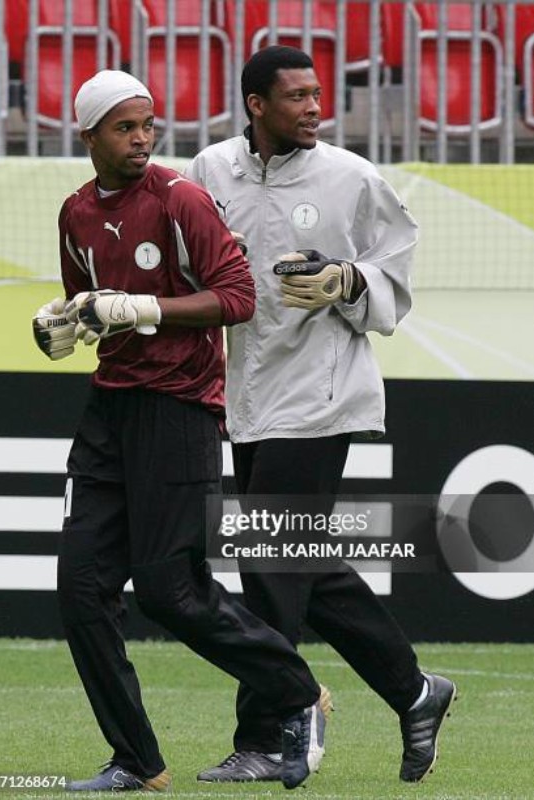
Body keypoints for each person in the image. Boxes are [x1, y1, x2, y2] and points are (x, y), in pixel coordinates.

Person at [32, 68, 328, 793]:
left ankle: (298, 692)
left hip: (182, 406)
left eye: (148, 124)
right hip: (110, 409)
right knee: (79, 589)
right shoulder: (74, 213)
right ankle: (135, 760)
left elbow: (238, 298)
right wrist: (64, 321)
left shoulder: (181, 200)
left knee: (171, 590)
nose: (141, 139)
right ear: (90, 135)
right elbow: (87, 301)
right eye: (124, 127)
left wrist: (144, 309)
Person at [185, 46, 457, 785]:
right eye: (296, 96)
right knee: (293, 562)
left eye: (316, 95)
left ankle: (270, 734)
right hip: (248, 393)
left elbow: (396, 265)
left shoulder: (349, 177)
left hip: (321, 392)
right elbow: (188, 255)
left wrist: (347, 279)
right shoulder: (210, 171)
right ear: (254, 105)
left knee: (271, 565)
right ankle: (412, 690)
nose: (313, 108)